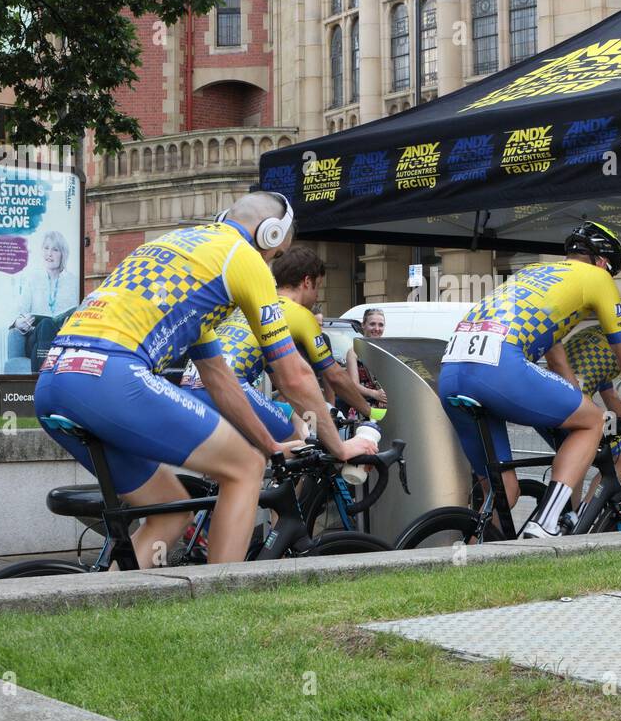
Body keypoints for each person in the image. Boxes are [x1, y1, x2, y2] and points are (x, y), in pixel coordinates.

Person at [35, 192, 375, 566]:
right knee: (244, 468)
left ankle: (102, 603)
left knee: (169, 511)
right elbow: (293, 376)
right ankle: (221, 601)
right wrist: (339, 448)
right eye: (276, 255)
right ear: (270, 236)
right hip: (111, 376)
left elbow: (219, 378)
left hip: (56, 379)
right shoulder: (243, 258)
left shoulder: (185, 253)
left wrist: (269, 444)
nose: (272, 263)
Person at [438, 221, 621, 539]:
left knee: (505, 492)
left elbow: (557, 358)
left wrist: (573, 404)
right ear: (603, 262)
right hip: (498, 367)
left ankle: (472, 551)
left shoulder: (534, 273)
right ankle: (548, 522)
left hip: (451, 370)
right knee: (592, 422)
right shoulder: (597, 276)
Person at [551, 297, 621, 511]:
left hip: (549, 398)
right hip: (572, 406)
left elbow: (609, 395)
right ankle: (586, 512)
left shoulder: (594, 332)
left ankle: (568, 516)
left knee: (577, 459)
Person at [273, 247, 382, 419]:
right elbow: (334, 376)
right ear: (307, 282)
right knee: (310, 437)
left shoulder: (262, 304)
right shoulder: (301, 315)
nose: (317, 296)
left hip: (226, 389)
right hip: (237, 390)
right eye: (319, 287)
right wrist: (371, 412)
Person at [179, 309, 306, 444]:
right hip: (226, 385)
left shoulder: (230, 320)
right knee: (293, 441)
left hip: (189, 386)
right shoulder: (274, 324)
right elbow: (290, 386)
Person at [8, 231, 80, 371]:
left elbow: (79, 312)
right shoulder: (33, 278)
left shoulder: (73, 282)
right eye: (46, 248)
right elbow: (19, 311)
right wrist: (19, 322)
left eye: (55, 249)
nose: (49, 253)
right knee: (46, 324)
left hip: (60, 336)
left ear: (62, 254)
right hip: (34, 334)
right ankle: (47, 371)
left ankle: (39, 374)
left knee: (43, 340)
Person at [344, 307, 387, 412]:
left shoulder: (387, 351)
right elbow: (353, 385)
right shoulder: (354, 352)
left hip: (387, 408)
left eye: (380, 325)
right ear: (363, 325)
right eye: (372, 324)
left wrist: (385, 396)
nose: (377, 328)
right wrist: (375, 394)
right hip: (363, 408)